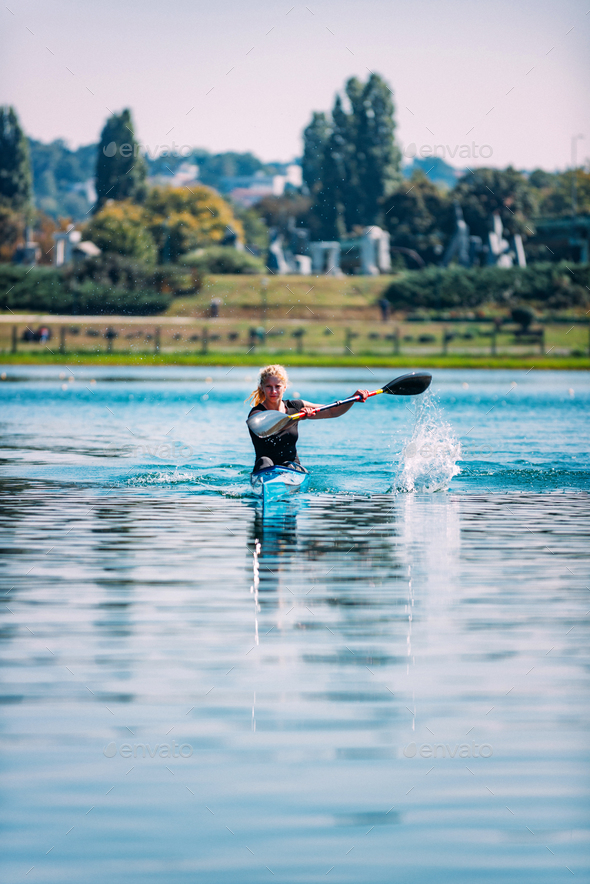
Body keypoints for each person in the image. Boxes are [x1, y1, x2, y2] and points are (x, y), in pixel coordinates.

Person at [247, 364, 369, 474]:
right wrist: (298, 418)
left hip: (291, 466)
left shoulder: (295, 407)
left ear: (284, 387)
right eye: (269, 386)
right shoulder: (257, 414)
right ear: (262, 387)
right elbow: (273, 427)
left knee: (288, 465)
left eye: (277, 386)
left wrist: (353, 399)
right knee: (264, 461)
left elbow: (333, 411)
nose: (273, 391)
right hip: (264, 468)